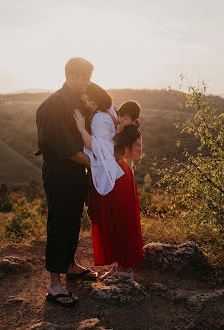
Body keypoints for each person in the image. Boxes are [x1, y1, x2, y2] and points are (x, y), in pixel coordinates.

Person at [36, 57, 97, 307]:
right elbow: (65, 148)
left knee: (73, 220)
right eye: (83, 77)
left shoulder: (74, 101)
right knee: (59, 223)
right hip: (59, 172)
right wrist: (98, 164)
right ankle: (54, 283)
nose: (87, 83)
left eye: (89, 77)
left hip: (74, 173)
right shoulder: (53, 105)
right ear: (70, 75)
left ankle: (71, 266)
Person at [74, 84, 143, 281]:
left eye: (91, 99)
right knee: (119, 220)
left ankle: (125, 271)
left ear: (99, 97)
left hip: (114, 176)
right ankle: (122, 266)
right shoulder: (107, 113)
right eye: (85, 101)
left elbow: (96, 148)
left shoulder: (99, 117)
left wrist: (80, 128)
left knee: (119, 221)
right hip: (119, 173)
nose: (88, 104)